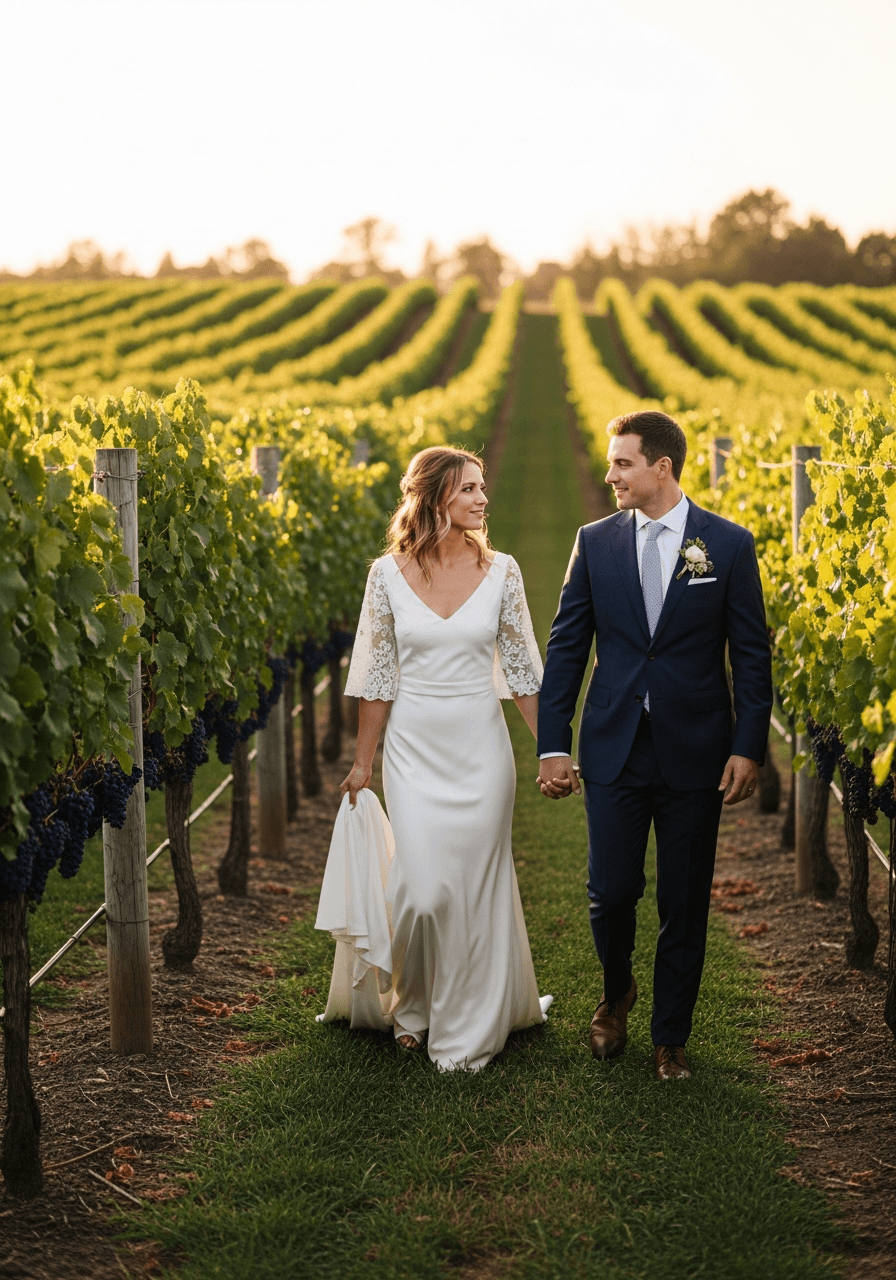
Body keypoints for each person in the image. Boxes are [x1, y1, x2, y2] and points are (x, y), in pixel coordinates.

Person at [536, 411, 772, 1081]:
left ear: (660, 468)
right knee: (610, 892)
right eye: (611, 464)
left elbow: (752, 657)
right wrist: (554, 742)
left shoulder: (726, 545)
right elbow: (567, 648)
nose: (610, 475)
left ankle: (671, 1035)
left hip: (697, 748)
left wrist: (748, 745)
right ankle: (616, 993)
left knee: (684, 896)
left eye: (621, 464)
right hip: (613, 744)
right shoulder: (595, 541)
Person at [317, 445, 551, 1072]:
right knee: (421, 891)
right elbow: (377, 677)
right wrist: (364, 762)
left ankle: (470, 1020)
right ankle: (412, 1004)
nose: (482, 499)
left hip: (482, 748)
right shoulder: (386, 575)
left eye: (482, 487)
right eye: (469, 488)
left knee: (474, 889)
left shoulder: (503, 571)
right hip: (414, 751)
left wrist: (551, 750)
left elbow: (525, 672)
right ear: (435, 498)